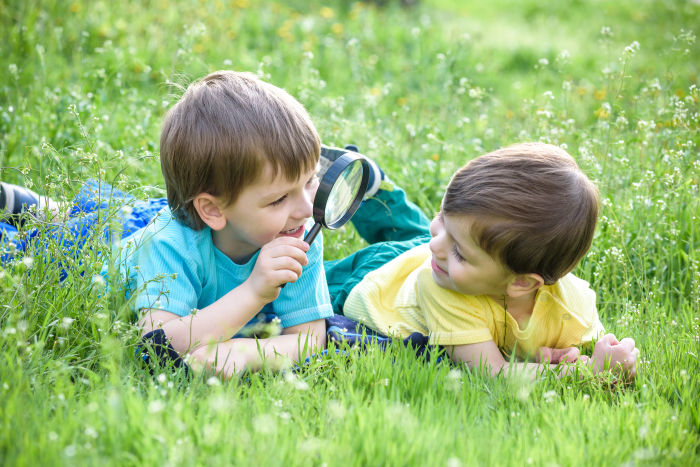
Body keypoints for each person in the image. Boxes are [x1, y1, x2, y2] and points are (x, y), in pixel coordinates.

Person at [0, 71, 376, 379]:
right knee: (47, 243)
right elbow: (157, 345)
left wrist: (245, 352)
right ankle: (38, 212)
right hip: (100, 256)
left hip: (166, 219)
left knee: (120, 210)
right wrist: (255, 292)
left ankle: (45, 206)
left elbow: (310, 338)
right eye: (278, 198)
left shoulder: (296, 230)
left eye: (310, 181)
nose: (307, 207)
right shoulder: (168, 245)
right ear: (213, 210)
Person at [323, 142, 640, 380]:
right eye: (442, 216)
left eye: (460, 249)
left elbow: (571, 352)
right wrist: (587, 373)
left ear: (521, 282)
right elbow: (494, 374)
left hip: (440, 263)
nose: (439, 243)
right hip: (374, 282)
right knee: (302, 280)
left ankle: (376, 190)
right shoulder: (444, 284)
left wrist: (572, 358)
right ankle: (367, 187)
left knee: (423, 237)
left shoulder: (574, 312)